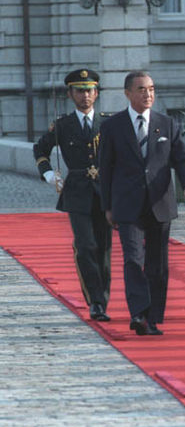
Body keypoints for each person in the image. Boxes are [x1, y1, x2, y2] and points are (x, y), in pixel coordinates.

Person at [99, 71, 185, 336]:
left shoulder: (167, 124)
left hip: (159, 203)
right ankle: (138, 313)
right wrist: (107, 205)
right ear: (128, 93)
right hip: (127, 205)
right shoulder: (112, 127)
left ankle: (153, 317)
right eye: (141, 89)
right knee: (132, 259)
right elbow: (105, 168)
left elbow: (182, 156)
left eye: (151, 89)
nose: (148, 94)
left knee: (157, 264)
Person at [33, 69, 112, 321]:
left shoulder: (107, 123)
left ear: (96, 93)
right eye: (79, 91)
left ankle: (104, 296)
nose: (85, 95)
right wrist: (47, 173)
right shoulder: (63, 125)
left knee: (104, 247)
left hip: (104, 191)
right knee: (85, 245)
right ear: (70, 94)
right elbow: (41, 149)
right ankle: (95, 301)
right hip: (77, 191)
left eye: (89, 90)